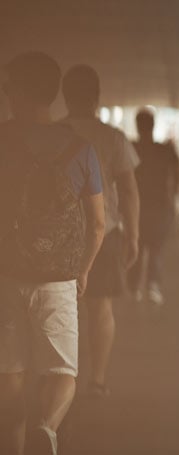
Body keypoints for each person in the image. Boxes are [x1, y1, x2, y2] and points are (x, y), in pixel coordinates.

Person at [0, 51, 105, 455]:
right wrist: (84, 270)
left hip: (7, 275)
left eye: (8, 88)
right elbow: (98, 224)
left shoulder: (3, 140)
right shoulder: (82, 149)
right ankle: (45, 430)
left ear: (22, 92)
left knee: (8, 376)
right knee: (63, 373)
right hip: (58, 279)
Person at [61, 64, 140, 399]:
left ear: (64, 97)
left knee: (60, 309)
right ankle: (97, 380)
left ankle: (60, 378)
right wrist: (133, 235)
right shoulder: (113, 138)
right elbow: (130, 191)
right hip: (104, 233)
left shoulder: (54, 134)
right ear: (96, 98)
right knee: (100, 308)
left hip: (58, 235)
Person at [128, 108, 179, 305]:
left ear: (137, 126)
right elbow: (177, 174)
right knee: (156, 248)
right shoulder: (165, 150)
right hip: (160, 208)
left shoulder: (131, 148)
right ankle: (153, 286)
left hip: (136, 207)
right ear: (153, 125)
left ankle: (134, 286)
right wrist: (173, 195)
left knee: (137, 246)